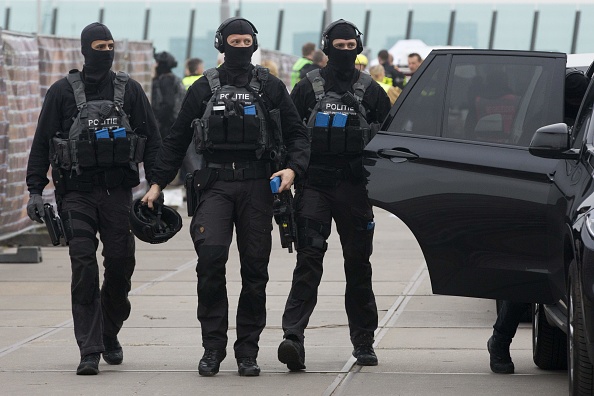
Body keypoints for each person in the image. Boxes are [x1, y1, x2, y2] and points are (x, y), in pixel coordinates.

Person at [141, 17, 310, 377]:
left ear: (254, 44)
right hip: (214, 184)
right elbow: (175, 139)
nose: (240, 46)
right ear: (221, 44)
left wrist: (293, 169)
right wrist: (156, 183)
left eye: (246, 40)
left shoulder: (270, 86)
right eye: (234, 40)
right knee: (210, 261)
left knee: (255, 270)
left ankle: (247, 351)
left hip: (257, 186)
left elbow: (298, 134)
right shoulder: (204, 87)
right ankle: (213, 348)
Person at [25, 22, 161, 375]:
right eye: (99, 45)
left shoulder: (129, 90)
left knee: (120, 265)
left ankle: (108, 330)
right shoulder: (61, 92)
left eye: (110, 45)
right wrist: (35, 190)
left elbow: (152, 138)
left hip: (118, 194)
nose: (106, 51)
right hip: (76, 194)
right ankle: (89, 347)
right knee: (83, 266)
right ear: (85, 49)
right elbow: (42, 144)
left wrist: (157, 184)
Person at [278, 19, 391, 371]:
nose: (345, 52)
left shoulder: (372, 91)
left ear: (358, 48)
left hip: (356, 188)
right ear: (326, 48)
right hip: (314, 187)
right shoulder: (305, 89)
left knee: (358, 265)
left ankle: (364, 342)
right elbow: (290, 135)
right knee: (309, 259)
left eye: (350, 46)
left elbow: (388, 140)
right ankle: (292, 337)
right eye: (338, 46)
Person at [487, 68, 589, 374]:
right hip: (544, 200)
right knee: (529, 278)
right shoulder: (546, 121)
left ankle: (500, 340)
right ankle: (500, 341)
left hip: (575, 203)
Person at [152, 51, 185, 140]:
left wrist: (156, 121)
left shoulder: (166, 80)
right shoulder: (174, 79)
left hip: (166, 127)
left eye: (156, 63)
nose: (154, 65)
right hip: (173, 124)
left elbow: (168, 104)